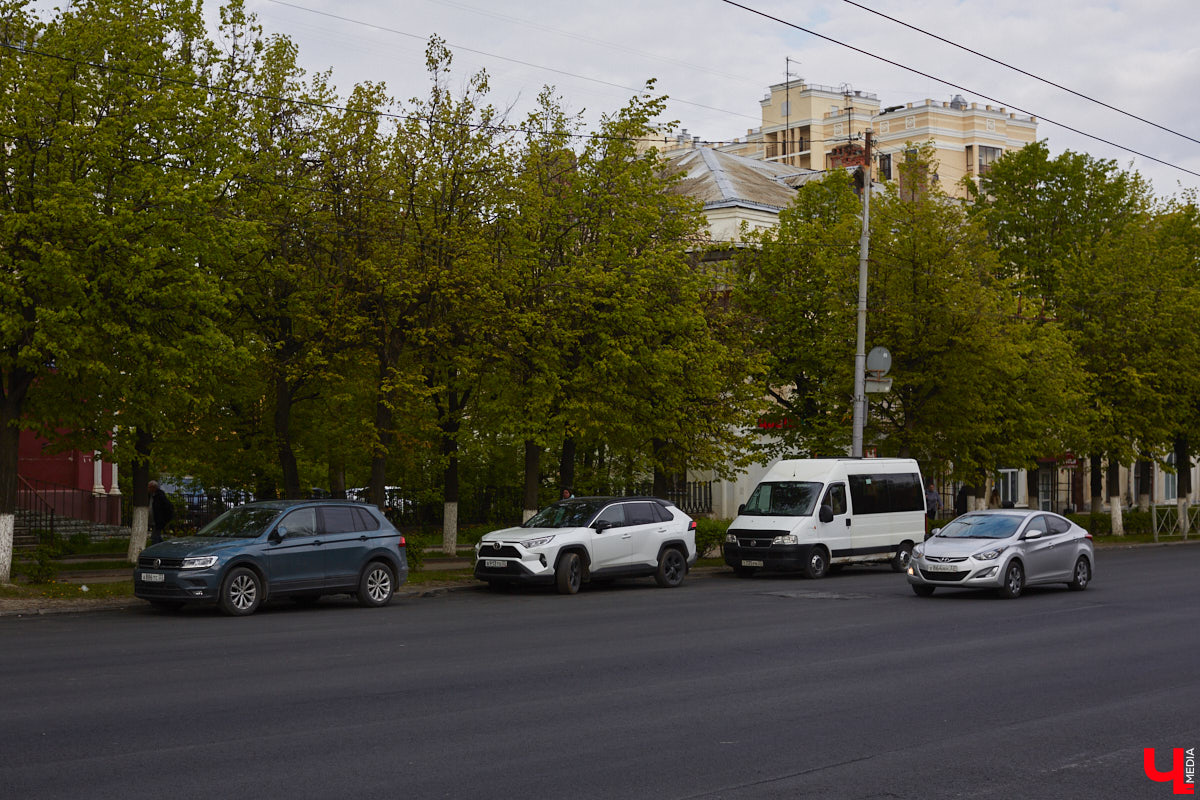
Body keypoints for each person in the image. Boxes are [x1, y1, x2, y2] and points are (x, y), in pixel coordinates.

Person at [149, 480, 175, 544]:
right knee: (157, 536)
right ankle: (164, 545)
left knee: (155, 537)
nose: (148, 489)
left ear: (154, 487)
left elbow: (168, 507)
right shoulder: (151, 495)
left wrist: (164, 518)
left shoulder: (160, 496)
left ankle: (156, 549)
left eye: (149, 487)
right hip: (154, 520)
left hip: (159, 520)